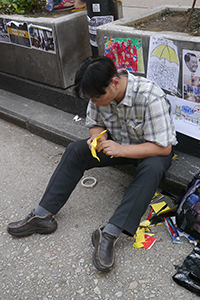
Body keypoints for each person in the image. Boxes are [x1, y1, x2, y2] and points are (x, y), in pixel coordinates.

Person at [7, 56, 177, 272]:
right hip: (116, 145)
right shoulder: (98, 92)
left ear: (115, 83)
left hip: (151, 149)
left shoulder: (150, 95)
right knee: (76, 150)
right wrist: (98, 138)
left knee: (153, 168)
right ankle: (42, 215)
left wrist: (122, 149)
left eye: (97, 98)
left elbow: (164, 148)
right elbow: (94, 123)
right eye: (91, 99)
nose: (94, 102)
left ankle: (109, 234)